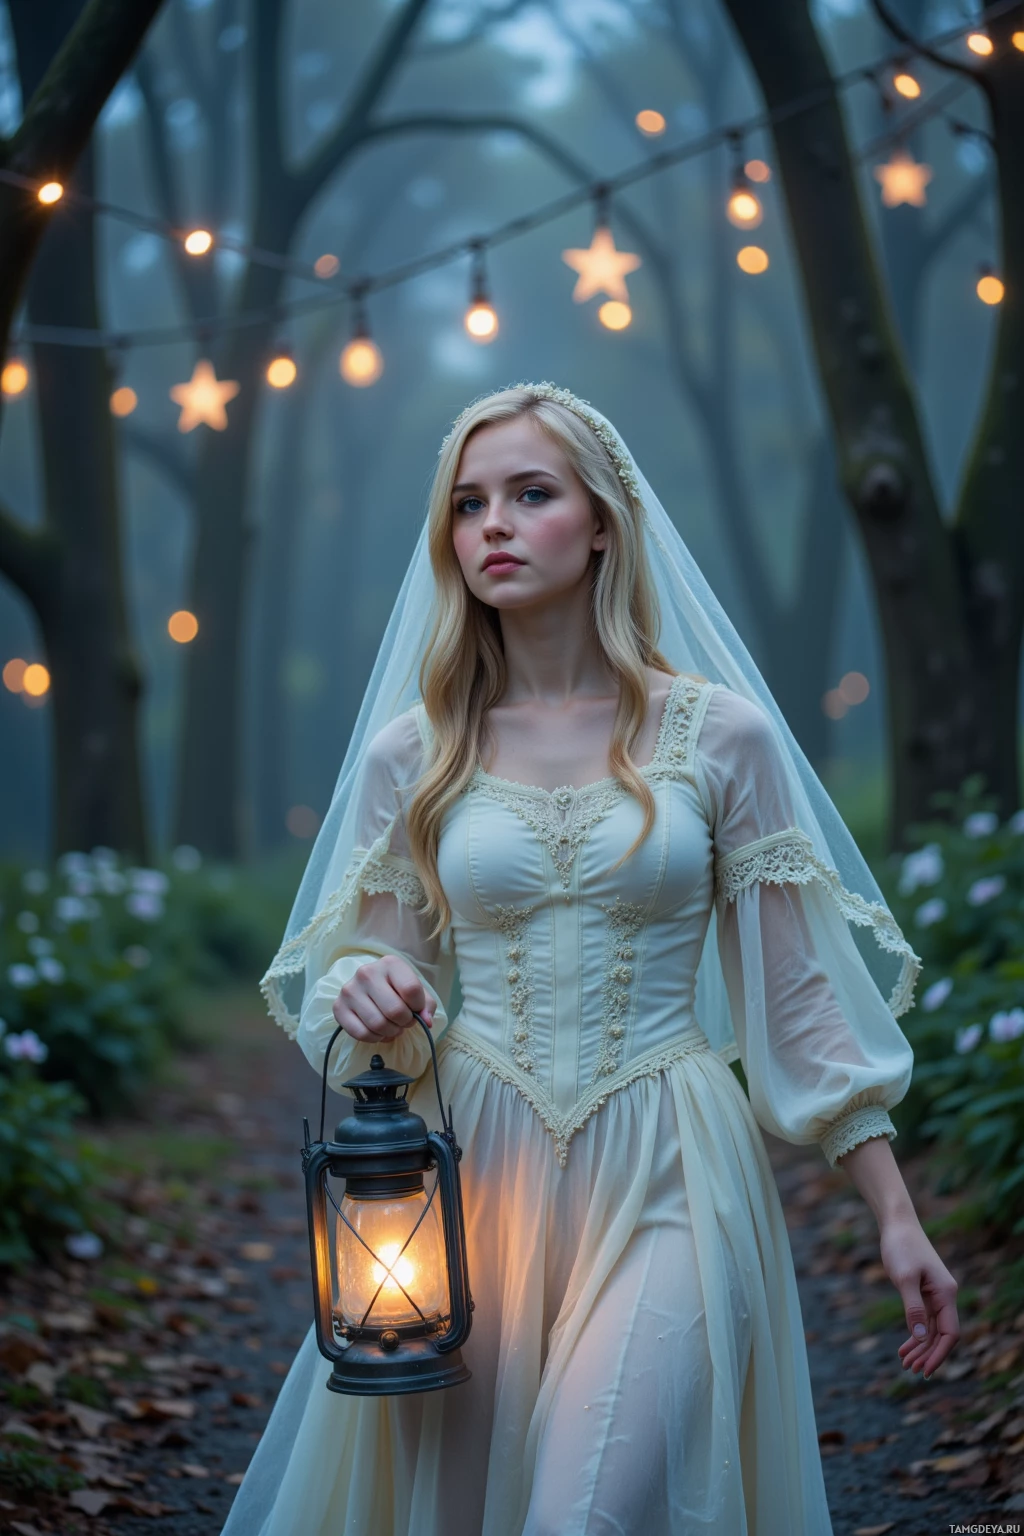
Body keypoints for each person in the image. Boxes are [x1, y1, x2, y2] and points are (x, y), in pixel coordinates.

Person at [222, 381, 959, 1536]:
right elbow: (362, 988)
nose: (493, 527)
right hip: (467, 1188)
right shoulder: (414, 754)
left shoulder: (720, 736)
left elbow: (800, 995)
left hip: (670, 1160)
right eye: (468, 505)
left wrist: (893, 1213)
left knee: (583, 1517)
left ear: (604, 520)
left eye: (530, 494)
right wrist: (369, 989)